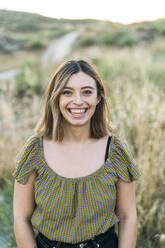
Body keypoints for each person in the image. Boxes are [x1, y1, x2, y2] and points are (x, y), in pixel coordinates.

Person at [13, 59, 141, 248]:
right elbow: (21, 219)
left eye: (87, 92)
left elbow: (128, 216)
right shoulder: (34, 151)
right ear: (56, 98)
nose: (78, 101)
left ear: (98, 98)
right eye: (67, 92)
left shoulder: (115, 151)